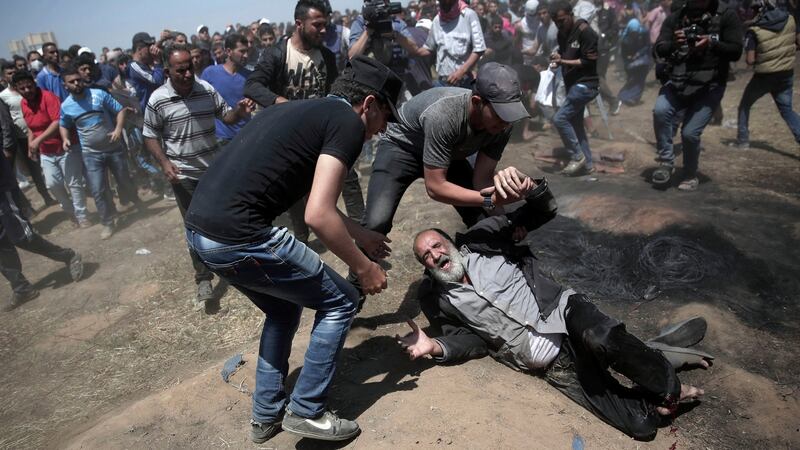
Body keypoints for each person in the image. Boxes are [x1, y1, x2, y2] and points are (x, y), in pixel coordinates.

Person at [184, 55, 401, 444]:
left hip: (202, 235)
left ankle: (266, 416)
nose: (382, 129)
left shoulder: (298, 111)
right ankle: (307, 411)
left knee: (284, 308)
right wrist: (364, 267)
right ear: (368, 104)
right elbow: (318, 216)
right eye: (386, 116)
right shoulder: (348, 123)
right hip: (241, 235)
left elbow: (306, 197)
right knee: (341, 300)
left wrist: (358, 233)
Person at [399, 178, 711, 440]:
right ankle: (654, 356)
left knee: (601, 338)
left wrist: (529, 186)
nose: (435, 255)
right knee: (642, 426)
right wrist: (435, 346)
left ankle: (670, 386)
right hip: (554, 365)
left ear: (448, 242)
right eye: (426, 255)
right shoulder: (438, 298)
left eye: (436, 245)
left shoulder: (482, 240)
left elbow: (542, 210)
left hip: (563, 314)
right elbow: (469, 340)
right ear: (424, 266)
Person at [245, 0, 365, 243]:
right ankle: (301, 238)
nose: (323, 30)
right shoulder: (277, 54)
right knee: (295, 190)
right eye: (317, 25)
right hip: (292, 137)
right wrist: (280, 102)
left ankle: (364, 231)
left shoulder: (327, 56)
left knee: (348, 177)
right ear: (299, 24)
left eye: (325, 25)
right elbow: (252, 85)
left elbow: (335, 89)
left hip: (324, 131)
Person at [143, 46, 252, 310]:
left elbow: (225, 115)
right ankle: (203, 278)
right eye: (181, 69)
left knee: (223, 219)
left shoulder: (205, 89)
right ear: (167, 70)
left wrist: (238, 111)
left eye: (190, 67)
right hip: (184, 175)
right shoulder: (158, 99)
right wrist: (165, 163)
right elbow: (149, 136)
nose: (188, 73)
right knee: (195, 227)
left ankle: (234, 265)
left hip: (213, 170)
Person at [651, 0, 743, 190]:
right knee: (660, 111)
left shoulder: (726, 16)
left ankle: (690, 173)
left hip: (709, 85)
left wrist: (711, 43)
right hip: (677, 81)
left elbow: (736, 51)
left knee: (690, 133)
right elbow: (658, 48)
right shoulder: (676, 17)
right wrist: (674, 45)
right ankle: (666, 163)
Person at [59, 64, 141, 240]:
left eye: (78, 80)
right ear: (65, 85)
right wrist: (65, 138)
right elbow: (63, 124)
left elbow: (120, 110)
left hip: (113, 149)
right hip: (91, 154)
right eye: (71, 82)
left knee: (124, 181)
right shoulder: (66, 106)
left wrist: (118, 129)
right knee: (97, 189)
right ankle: (108, 222)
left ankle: (137, 204)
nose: (76, 84)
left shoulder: (98, 94)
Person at [0, 146, 84, 311]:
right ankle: (21, 288)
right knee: (1, 244)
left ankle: (69, 256)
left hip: (3, 192)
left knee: (23, 237)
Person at [16, 70, 89, 227]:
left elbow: (57, 122)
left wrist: (38, 141)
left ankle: (82, 215)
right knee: (52, 184)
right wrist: (31, 144)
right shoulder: (23, 103)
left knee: (73, 182)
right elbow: (31, 127)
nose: (27, 91)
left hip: (66, 145)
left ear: (34, 84)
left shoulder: (48, 97)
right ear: (17, 89)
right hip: (46, 151)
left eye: (29, 86)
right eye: (22, 89)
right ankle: (70, 211)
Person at [734, 1, 799, 149]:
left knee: (745, 105)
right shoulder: (790, 19)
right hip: (786, 73)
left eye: (755, 10)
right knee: (787, 110)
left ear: (760, 10)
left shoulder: (755, 31)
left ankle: (743, 140)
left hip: (764, 76)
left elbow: (750, 60)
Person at [550, 0, 601, 176]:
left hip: (586, 84)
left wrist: (562, 61)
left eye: (562, 20)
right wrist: (558, 58)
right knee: (576, 124)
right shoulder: (561, 34)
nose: (559, 24)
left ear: (571, 15)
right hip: (573, 84)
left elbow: (587, 61)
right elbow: (565, 55)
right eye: (556, 22)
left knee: (560, 119)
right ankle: (588, 165)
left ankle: (577, 156)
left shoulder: (585, 32)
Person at [0, 62, 56, 207]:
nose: (12, 75)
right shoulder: (3, 96)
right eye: (9, 73)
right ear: (4, 77)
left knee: (48, 164)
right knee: (34, 170)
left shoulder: (32, 90)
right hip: (22, 137)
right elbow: (6, 119)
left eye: (14, 72)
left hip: (42, 131)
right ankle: (46, 196)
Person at [409, 0, 486, 88]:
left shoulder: (469, 16)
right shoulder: (437, 20)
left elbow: (479, 49)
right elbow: (428, 48)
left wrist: (461, 71)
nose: (444, 3)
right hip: (442, 83)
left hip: (464, 82)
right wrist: (404, 42)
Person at [200, 34, 252, 145]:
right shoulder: (210, 74)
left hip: (245, 136)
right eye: (242, 51)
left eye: (247, 51)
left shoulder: (250, 77)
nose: (246, 55)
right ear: (228, 51)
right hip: (219, 139)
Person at [617, 18, 652, 106]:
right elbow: (623, 53)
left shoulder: (644, 32)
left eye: (635, 33)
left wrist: (638, 54)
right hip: (630, 61)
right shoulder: (624, 38)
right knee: (632, 79)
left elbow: (647, 45)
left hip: (643, 58)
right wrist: (628, 59)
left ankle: (635, 98)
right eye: (632, 33)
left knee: (640, 78)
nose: (634, 35)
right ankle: (624, 96)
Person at [128, 32, 165, 113]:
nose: (151, 49)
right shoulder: (134, 66)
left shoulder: (144, 65)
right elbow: (157, 81)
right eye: (148, 46)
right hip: (147, 115)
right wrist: (157, 61)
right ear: (139, 49)